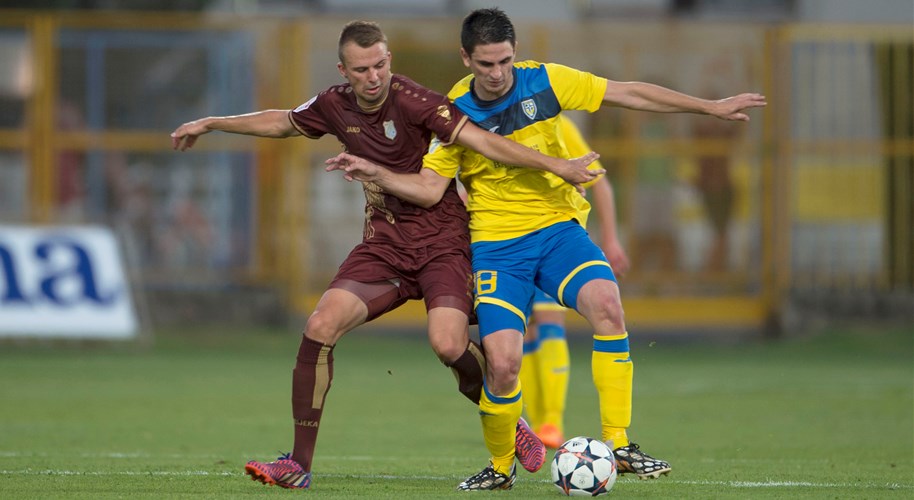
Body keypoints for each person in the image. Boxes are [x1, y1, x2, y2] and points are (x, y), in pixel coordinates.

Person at [325, 8, 766, 490]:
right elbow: (432, 188)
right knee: (504, 361)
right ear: (466, 58)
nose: (497, 74)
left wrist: (710, 107)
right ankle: (499, 467)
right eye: (486, 64)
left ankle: (619, 444)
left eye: (505, 61)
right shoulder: (449, 110)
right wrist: (377, 172)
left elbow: (628, 92)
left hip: (557, 229)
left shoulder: (547, 81)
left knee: (607, 305)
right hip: (496, 242)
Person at [170, 20, 601, 490]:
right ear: (344, 70)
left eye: (380, 65)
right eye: (361, 69)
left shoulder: (421, 103)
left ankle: (507, 417)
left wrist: (557, 165)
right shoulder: (334, 105)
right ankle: (297, 465)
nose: (373, 77)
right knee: (319, 326)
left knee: (447, 343)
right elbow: (284, 121)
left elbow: (481, 144)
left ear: (389, 61)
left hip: (442, 244)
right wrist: (214, 123)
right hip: (385, 245)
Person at [520, 114, 630, 451]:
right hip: (506, 240)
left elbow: (600, 183)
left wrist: (610, 240)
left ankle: (551, 421)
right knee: (523, 329)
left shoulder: (557, 124)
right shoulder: (485, 122)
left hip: (554, 239)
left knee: (551, 318)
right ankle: (536, 422)